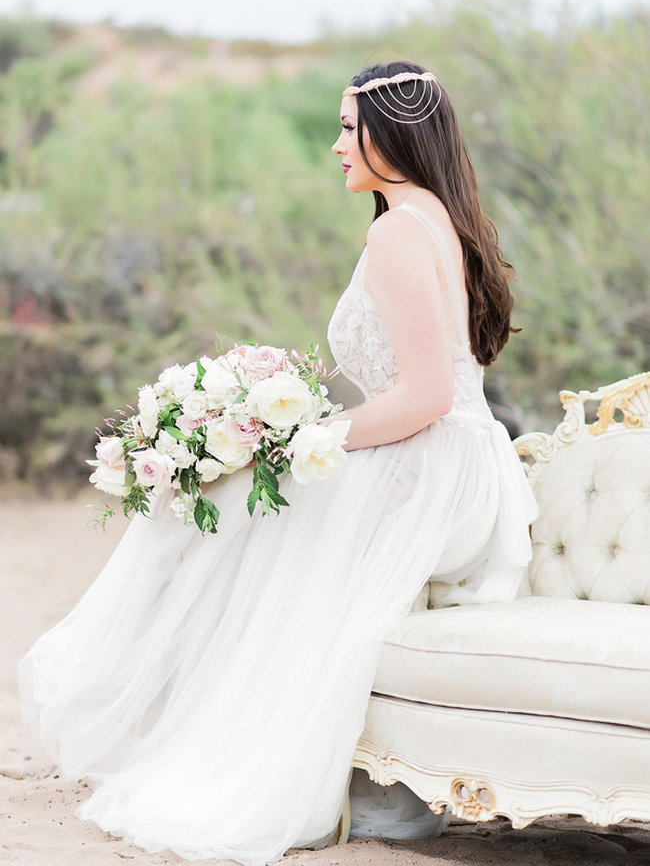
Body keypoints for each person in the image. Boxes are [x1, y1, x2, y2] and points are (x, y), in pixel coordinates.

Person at [18, 61, 537, 864]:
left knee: (224, 510)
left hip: (432, 468)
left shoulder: (398, 228)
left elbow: (429, 393)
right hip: (455, 463)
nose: (334, 145)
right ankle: (199, 720)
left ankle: (185, 725)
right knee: (236, 504)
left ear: (391, 132)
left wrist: (303, 442)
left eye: (345, 127)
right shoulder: (435, 213)